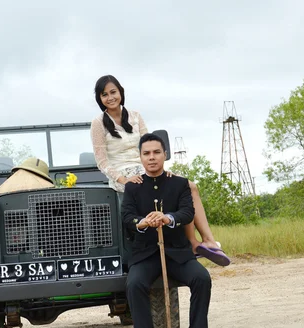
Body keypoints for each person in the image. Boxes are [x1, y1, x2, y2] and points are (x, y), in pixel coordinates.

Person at [91, 75, 230, 266]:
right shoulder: (98, 123)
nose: (110, 97)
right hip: (122, 174)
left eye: (113, 92)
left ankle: (205, 241)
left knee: (188, 186)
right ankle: (191, 243)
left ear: (121, 92)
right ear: (99, 99)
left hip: (146, 167)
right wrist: (124, 179)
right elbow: (102, 161)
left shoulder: (135, 116)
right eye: (104, 94)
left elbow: (150, 146)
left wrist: (165, 172)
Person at [121, 133, 221, 328]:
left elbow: (187, 212)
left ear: (165, 154)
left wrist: (168, 217)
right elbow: (127, 217)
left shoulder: (179, 183)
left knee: (201, 278)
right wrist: (144, 222)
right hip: (145, 254)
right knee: (134, 284)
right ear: (140, 157)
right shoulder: (133, 187)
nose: (152, 158)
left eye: (156, 152)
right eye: (146, 153)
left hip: (177, 253)